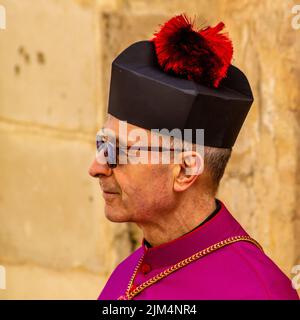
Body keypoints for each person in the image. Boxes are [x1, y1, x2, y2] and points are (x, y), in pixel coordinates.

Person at [88, 14, 299, 300]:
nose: (97, 166)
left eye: (118, 150)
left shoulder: (258, 292)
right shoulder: (126, 274)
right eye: (102, 144)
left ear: (185, 171)